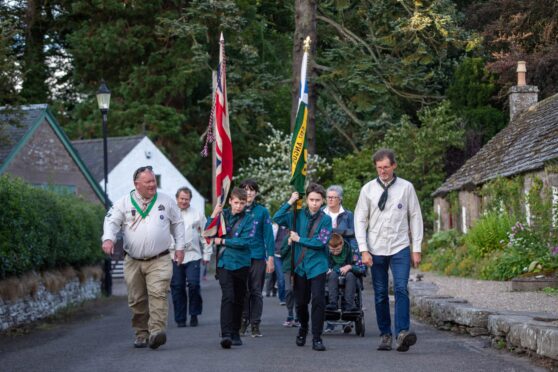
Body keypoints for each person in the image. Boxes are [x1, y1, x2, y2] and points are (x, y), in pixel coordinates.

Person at [102, 166, 187, 350]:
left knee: (158, 294)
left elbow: (178, 224)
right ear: (137, 184)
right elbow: (111, 221)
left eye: (154, 181)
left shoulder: (166, 201)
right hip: (133, 260)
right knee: (137, 300)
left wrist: (180, 247)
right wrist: (108, 238)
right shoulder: (124, 203)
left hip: (160, 259)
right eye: (148, 182)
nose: (152, 185)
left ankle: (156, 332)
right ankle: (141, 333)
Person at [354, 149, 423, 352]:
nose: (383, 171)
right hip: (375, 247)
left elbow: (415, 217)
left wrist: (416, 247)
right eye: (379, 168)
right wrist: (363, 250)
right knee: (381, 293)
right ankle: (385, 334)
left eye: (386, 167)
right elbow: (360, 220)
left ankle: (402, 333)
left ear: (394, 166)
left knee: (401, 288)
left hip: (400, 245)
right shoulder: (367, 190)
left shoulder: (406, 188)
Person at [273, 183, 332, 351]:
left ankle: (317, 337)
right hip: (299, 266)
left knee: (319, 301)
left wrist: (299, 240)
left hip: (318, 266)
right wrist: (291, 200)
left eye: (318, 200)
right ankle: (303, 328)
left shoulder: (326, 219)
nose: (314, 203)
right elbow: (277, 217)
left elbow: (321, 242)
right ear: (306, 199)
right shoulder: (296, 215)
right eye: (312, 199)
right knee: (300, 303)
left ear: (323, 201)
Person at [207, 187, 254, 349]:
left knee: (239, 298)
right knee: (228, 296)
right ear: (230, 201)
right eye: (236, 203)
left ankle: (235, 331)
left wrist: (224, 242)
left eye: (242, 203)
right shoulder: (222, 215)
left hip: (242, 263)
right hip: (224, 263)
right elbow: (208, 232)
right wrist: (214, 214)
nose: (238, 206)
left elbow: (245, 242)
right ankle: (226, 334)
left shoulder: (249, 219)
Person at [170, 187, 213, 328]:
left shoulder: (197, 215)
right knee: (177, 287)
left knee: (194, 285)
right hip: (173, 255)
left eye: (186, 199)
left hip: (192, 255)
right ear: (177, 198)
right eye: (181, 198)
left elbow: (205, 235)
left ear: (190, 200)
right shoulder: (169, 213)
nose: (184, 201)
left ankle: (194, 313)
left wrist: (207, 253)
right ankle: (180, 318)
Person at [238, 179, 274, 338]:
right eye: (245, 189)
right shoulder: (235, 209)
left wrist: (270, 257)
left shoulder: (262, 211)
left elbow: (269, 236)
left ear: (256, 193)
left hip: (258, 256)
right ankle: (243, 321)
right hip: (239, 256)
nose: (249, 192)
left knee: (256, 291)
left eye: (252, 190)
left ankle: (255, 324)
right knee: (242, 291)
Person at [325, 233, 366, 312]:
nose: (335, 252)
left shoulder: (352, 249)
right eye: (332, 250)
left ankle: (349, 305)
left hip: (350, 275)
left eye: (338, 249)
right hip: (331, 275)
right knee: (332, 274)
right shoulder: (326, 250)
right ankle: (333, 303)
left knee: (350, 275)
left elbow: (362, 268)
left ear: (342, 244)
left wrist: (350, 267)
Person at [324, 185, 357, 250]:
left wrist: (352, 250)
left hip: (343, 252)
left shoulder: (348, 215)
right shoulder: (321, 213)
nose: (330, 199)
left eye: (333, 197)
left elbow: (353, 236)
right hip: (324, 252)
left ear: (339, 199)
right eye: (328, 197)